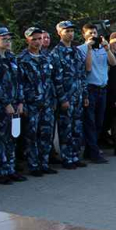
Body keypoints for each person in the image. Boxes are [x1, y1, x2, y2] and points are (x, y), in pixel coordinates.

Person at [0, 27, 26, 184]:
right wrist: (6, 103)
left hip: (15, 105)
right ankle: (2, 171)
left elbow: (18, 80)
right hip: (0, 107)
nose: (8, 41)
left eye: (9, 38)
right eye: (4, 39)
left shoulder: (11, 57)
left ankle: (11, 169)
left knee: (12, 138)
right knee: (1, 140)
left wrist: (20, 101)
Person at [18, 27, 57, 176]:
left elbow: (51, 80)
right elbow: (19, 84)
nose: (38, 42)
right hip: (31, 104)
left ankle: (44, 163)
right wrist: (22, 103)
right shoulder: (22, 59)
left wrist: (53, 99)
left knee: (46, 134)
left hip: (47, 103)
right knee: (32, 136)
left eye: (40, 38)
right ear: (27, 40)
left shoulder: (46, 57)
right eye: (34, 39)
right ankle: (34, 165)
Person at [50, 21, 88, 170]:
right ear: (59, 33)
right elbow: (56, 79)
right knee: (66, 128)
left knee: (77, 128)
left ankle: (75, 155)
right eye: (67, 31)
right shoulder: (56, 53)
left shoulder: (76, 51)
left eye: (72, 31)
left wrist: (84, 94)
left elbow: (82, 74)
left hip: (78, 96)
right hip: (66, 97)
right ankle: (67, 157)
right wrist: (62, 98)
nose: (70, 34)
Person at [79, 23, 116, 163]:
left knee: (99, 122)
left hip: (102, 88)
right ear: (84, 35)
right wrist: (89, 49)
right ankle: (94, 153)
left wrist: (107, 49)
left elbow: (113, 63)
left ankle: (90, 150)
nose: (93, 35)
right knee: (90, 122)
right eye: (90, 33)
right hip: (90, 88)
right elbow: (87, 68)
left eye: (95, 33)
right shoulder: (81, 49)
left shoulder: (102, 47)